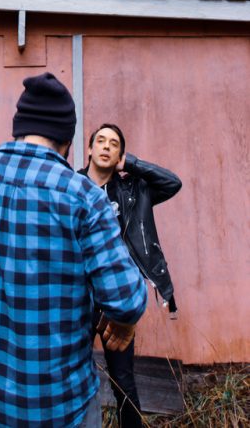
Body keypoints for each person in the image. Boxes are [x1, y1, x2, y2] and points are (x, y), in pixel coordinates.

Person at [0, 73, 148, 427]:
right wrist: (124, 322)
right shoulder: (83, 196)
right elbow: (125, 298)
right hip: (60, 404)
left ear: (19, 128)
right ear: (68, 142)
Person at [78, 123, 182, 428]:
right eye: (100, 141)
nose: (106, 146)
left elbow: (172, 183)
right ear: (89, 149)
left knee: (123, 382)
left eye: (114, 144)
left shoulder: (132, 190)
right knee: (72, 376)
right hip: (77, 298)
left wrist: (132, 164)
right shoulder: (71, 187)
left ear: (119, 155)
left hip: (117, 300)